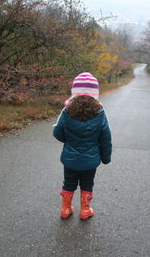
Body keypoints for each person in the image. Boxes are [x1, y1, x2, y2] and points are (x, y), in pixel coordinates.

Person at [53, 72, 112, 220]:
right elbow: (106, 138)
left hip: (70, 159)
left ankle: (65, 209)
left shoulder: (67, 111)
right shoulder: (100, 113)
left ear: (74, 92)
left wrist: (69, 141)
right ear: (95, 93)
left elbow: (57, 132)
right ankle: (85, 210)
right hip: (90, 160)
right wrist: (105, 158)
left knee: (69, 182)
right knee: (87, 183)